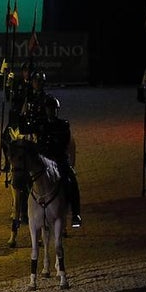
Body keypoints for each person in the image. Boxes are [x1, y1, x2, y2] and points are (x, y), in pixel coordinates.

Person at [21, 96, 83, 227]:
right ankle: (24, 212)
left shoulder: (63, 124)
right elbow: (23, 129)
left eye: (54, 109)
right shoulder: (40, 123)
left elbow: (64, 141)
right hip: (43, 159)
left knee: (71, 178)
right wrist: (24, 115)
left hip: (58, 158)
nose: (51, 111)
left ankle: (75, 213)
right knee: (24, 178)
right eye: (49, 109)